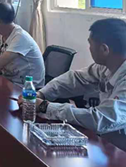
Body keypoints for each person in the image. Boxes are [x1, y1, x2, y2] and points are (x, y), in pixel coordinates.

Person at [19, 19, 126, 149]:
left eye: (90, 44)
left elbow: (100, 119)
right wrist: (40, 94)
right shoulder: (105, 66)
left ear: (104, 49)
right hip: (108, 142)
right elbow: (75, 78)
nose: (89, 48)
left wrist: (45, 107)